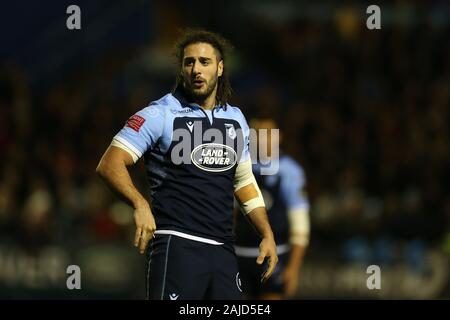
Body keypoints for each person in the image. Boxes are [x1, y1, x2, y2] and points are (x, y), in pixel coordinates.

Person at [96, 29, 278, 300]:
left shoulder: (236, 119)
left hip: (223, 252)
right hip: (176, 246)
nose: (196, 69)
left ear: (220, 67)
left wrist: (266, 233)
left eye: (204, 62)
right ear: (181, 69)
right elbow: (109, 164)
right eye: (189, 62)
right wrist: (140, 203)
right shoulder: (160, 114)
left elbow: (243, 181)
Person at [234, 117, 310, 299]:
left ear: (279, 137)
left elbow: (300, 224)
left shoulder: (289, 171)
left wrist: (293, 268)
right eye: (258, 134)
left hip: (275, 256)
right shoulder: (241, 165)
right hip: (239, 256)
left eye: (269, 134)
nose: (263, 139)